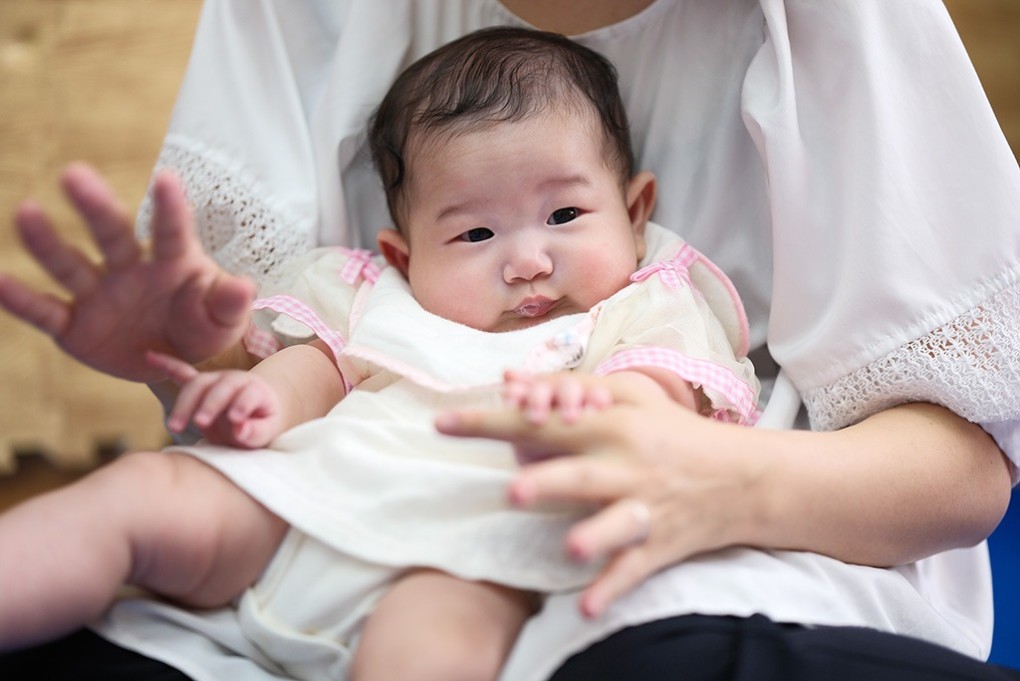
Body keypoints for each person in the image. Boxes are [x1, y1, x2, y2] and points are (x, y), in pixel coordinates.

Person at [0, 1, 1018, 680]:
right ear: (403, 247)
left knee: (433, 627)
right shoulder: (371, 287)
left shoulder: (649, 293)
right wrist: (234, 384)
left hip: (486, 531)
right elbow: (307, 367)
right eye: (475, 234)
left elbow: (664, 394)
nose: (526, 260)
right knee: (133, 500)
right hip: (311, 501)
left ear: (637, 209)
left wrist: (627, 414)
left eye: (565, 219)